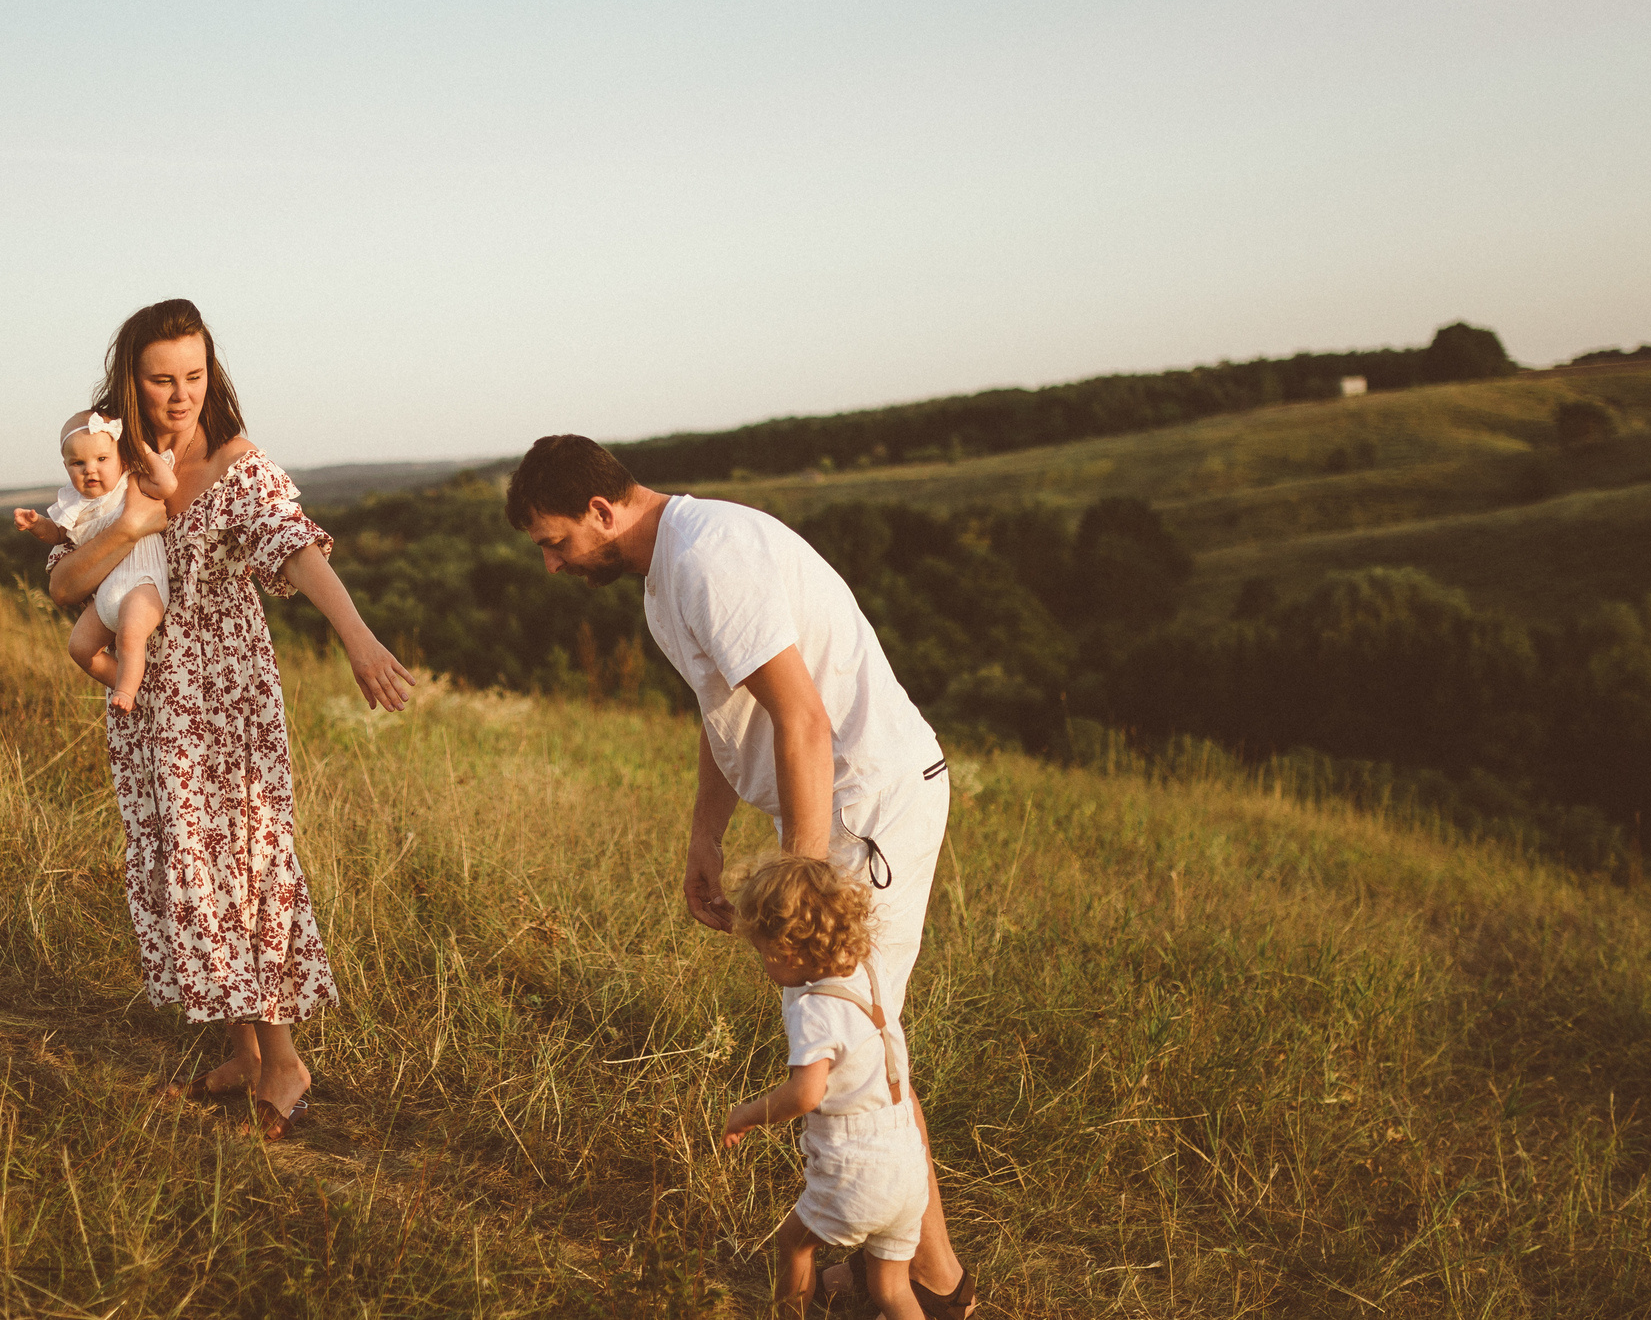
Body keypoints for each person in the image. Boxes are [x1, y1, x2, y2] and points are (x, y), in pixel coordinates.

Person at [506, 434, 974, 1316]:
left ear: (602, 511)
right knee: (870, 1042)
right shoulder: (665, 576)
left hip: (868, 808)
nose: (552, 563)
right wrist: (704, 837)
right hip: (833, 809)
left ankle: (934, 1284)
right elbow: (731, 716)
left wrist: (798, 887)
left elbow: (803, 724)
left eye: (555, 540)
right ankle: (922, 1273)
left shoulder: (712, 557)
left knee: (861, 1036)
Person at [49, 299, 414, 1136]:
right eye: (161, 379)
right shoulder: (109, 472)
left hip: (231, 702)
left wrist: (356, 636)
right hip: (152, 705)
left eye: (194, 375)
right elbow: (65, 585)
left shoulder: (238, 464)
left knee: (249, 864)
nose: (181, 395)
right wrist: (137, 520)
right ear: (129, 384)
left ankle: (285, 1059)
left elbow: (296, 547)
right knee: (188, 867)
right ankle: (243, 1049)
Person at [720, 856, 929, 1320]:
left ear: (788, 952)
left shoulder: (814, 1008)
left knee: (794, 1246)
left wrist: (748, 1114)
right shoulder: (869, 972)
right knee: (891, 1289)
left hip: (857, 1167)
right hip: (908, 1161)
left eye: (763, 952)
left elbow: (806, 1094)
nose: (764, 963)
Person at [14, 410, 171, 711]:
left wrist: (147, 453)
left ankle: (126, 689)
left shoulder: (133, 484)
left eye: (101, 459)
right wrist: (36, 525)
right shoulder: (74, 505)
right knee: (80, 648)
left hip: (143, 583)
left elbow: (167, 486)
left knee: (129, 633)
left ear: (122, 458)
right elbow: (57, 534)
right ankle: (129, 689)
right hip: (106, 593)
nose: (90, 470)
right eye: (78, 463)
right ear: (66, 467)